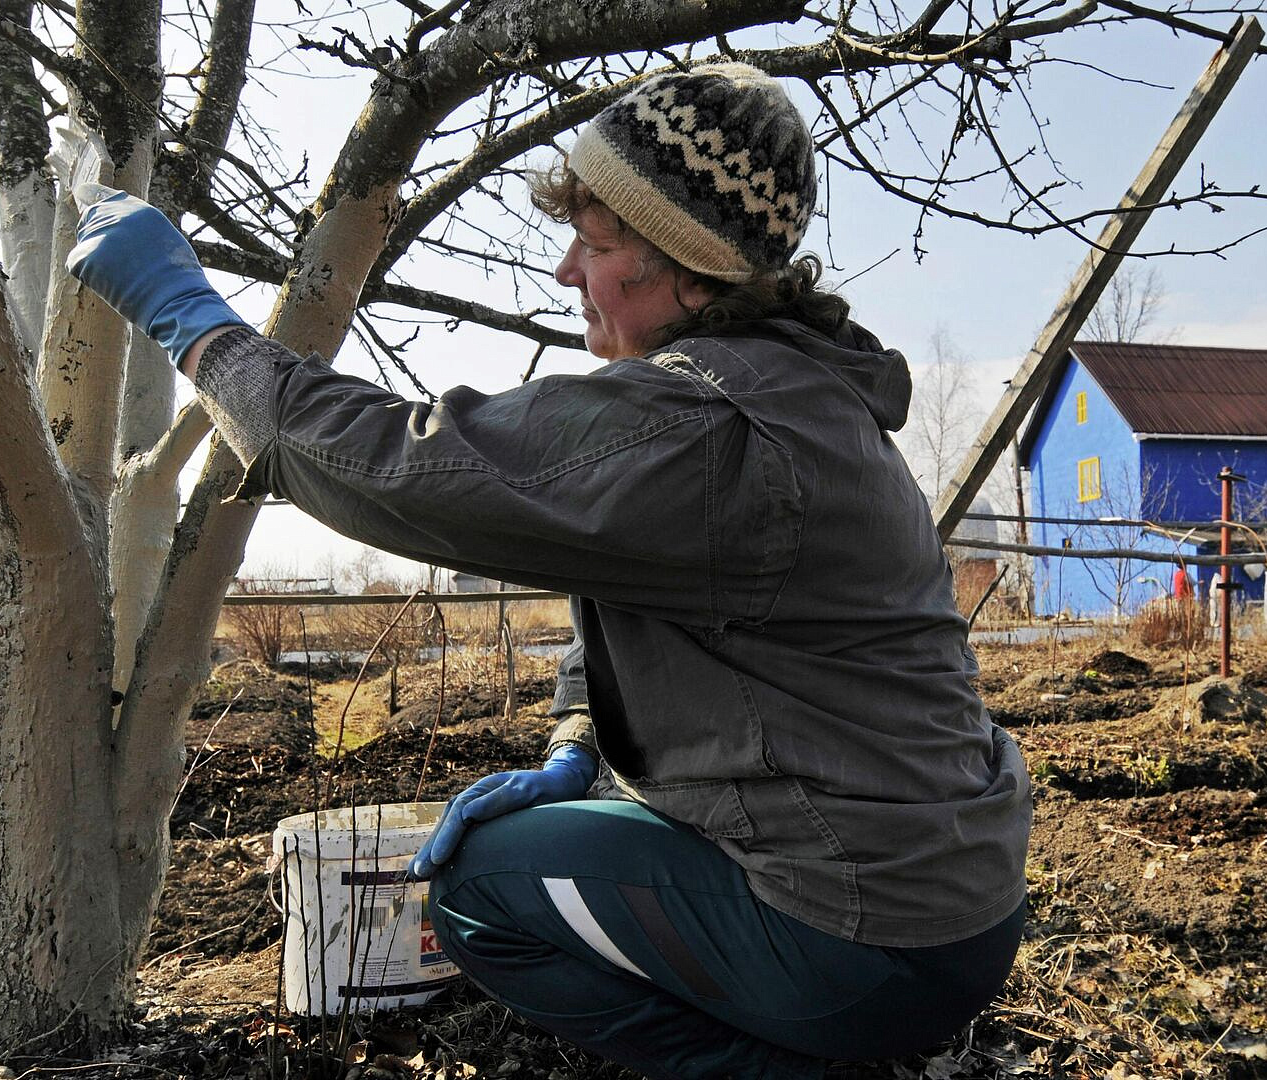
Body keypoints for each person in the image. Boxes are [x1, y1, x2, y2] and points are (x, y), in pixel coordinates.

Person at [69, 63, 1031, 1080]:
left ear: (692, 273)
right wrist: (578, 741)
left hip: (866, 934)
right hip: (943, 899)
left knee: (483, 890)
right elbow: (631, 591)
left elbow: (396, 466)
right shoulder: (791, 401)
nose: (570, 270)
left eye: (601, 244)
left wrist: (192, 320)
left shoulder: (707, 430)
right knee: (569, 840)